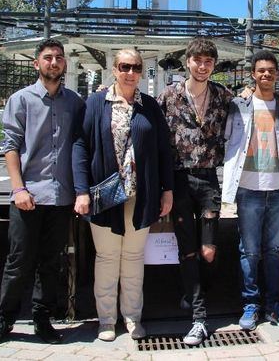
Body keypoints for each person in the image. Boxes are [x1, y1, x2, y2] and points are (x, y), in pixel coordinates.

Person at [0, 39, 87, 349]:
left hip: (61, 197)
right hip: (29, 195)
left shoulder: (74, 102)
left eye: (59, 58)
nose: (54, 62)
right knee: (18, 261)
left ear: (64, 64)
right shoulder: (21, 100)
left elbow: (79, 145)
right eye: (48, 58)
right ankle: (4, 320)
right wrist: (19, 188)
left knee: (51, 262)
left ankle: (42, 319)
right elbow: (11, 146)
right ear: (37, 64)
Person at [73, 49, 174, 342]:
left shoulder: (150, 107)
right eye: (124, 66)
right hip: (104, 196)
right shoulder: (95, 103)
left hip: (140, 196)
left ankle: (132, 318)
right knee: (106, 258)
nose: (131, 73)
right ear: (114, 69)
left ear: (142, 71)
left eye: (136, 67)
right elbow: (80, 146)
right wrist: (81, 191)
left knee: (132, 258)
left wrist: (166, 190)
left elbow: (163, 151)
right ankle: (106, 320)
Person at [157, 38, 234, 346]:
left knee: (208, 250)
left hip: (208, 180)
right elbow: (152, 130)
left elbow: (252, 107)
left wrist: (278, 98)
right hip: (178, 181)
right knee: (188, 249)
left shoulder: (223, 96)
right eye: (197, 61)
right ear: (187, 62)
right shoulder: (169, 95)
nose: (203, 67)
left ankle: (196, 291)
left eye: (208, 62)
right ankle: (199, 318)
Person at [222, 50, 279, 331]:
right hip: (248, 189)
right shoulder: (239, 105)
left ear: (276, 75)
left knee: (275, 251)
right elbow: (226, 136)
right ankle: (251, 305)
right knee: (249, 251)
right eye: (261, 70)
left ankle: (274, 305)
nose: (266, 74)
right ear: (253, 74)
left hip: (278, 189)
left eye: (271, 71)